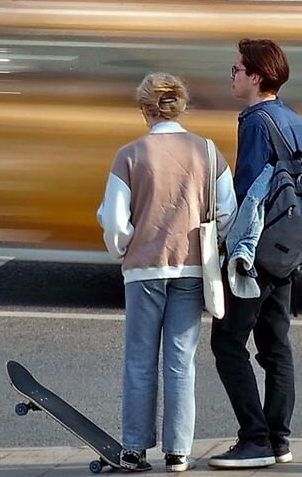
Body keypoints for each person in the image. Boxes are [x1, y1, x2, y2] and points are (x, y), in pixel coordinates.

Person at [98, 72, 237, 473]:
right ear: (182, 105)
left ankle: (135, 448)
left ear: (145, 108)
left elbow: (115, 221)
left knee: (140, 358)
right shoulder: (208, 152)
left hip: (144, 270)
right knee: (181, 359)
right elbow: (226, 211)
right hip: (192, 267)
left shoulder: (130, 154)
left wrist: (123, 247)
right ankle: (178, 452)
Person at [208, 39, 302, 469]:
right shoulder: (295, 119)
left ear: (256, 76)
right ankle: (279, 439)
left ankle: (254, 440)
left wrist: (227, 245)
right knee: (275, 346)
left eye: (236, 69)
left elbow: (248, 192)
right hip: (288, 249)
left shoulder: (254, 122)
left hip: (258, 250)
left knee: (227, 342)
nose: (231, 75)